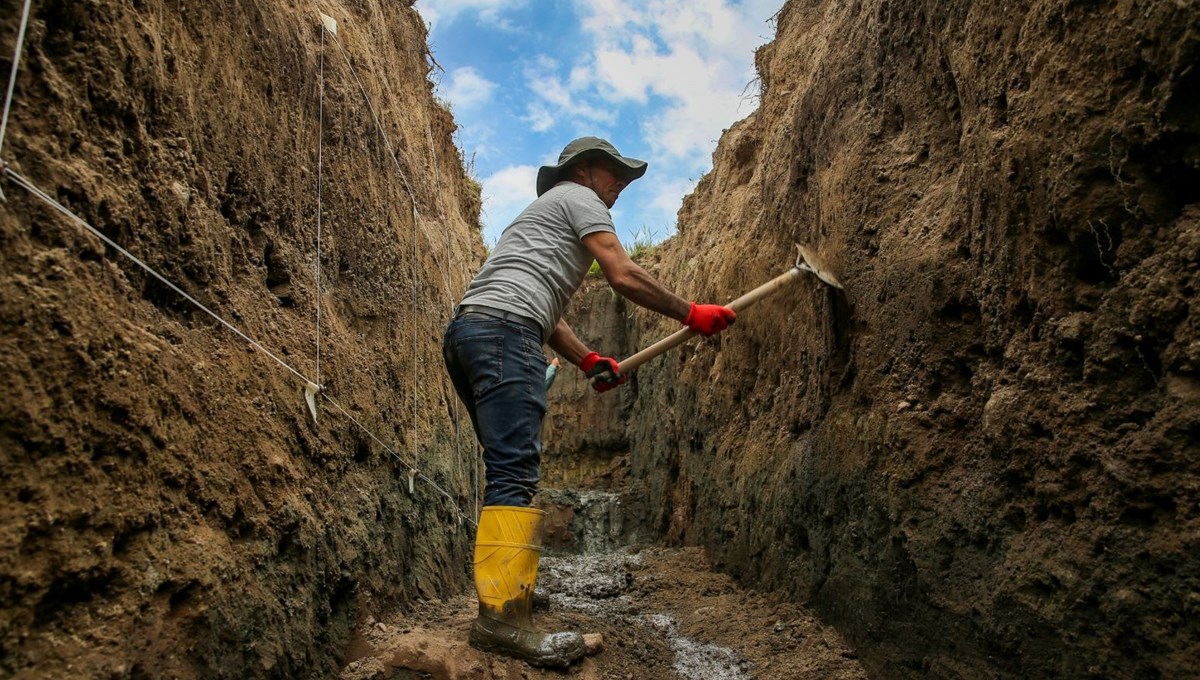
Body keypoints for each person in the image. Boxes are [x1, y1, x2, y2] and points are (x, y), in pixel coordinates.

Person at [442, 136, 736, 667]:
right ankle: (503, 623)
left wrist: (587, 360)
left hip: (471, 332)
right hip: (507, 334)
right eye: (613, 172)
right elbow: (622, 274)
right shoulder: (581, 200)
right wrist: (690, 311)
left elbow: (547, 314)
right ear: (583, 171)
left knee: (504, 466)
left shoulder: (537, 223)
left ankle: (511, 589)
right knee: (515, 471)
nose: (620, 183)